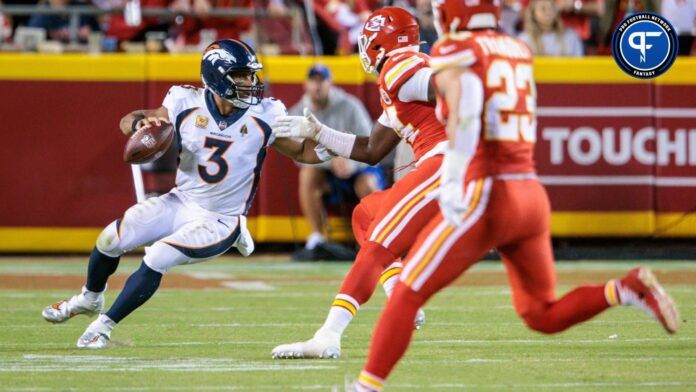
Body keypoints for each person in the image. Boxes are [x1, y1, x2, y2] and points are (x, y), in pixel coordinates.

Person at [353, 1, 681, 389]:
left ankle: (362, 388)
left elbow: (468, 104)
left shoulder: (455, 50)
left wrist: (456, 174)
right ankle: (625, 289)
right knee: (541, 313)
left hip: (488, 193)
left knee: (406, 293)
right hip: (529, 193)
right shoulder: (518, 49)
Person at [41, 39, 330, 349]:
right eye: (241, 75)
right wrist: (142, 123)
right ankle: (89, 298)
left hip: (221, 218)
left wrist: (334, 142)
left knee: (159, 255)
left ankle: (104, 327)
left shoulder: (266, 113)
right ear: (218, 77)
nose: (250, 83)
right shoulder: (183, 101)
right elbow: (131, 120)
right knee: (110, 238)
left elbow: (302, 152)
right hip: (181, 200)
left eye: (250, 75)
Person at [270, 7, 449, 359]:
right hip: (443, 165)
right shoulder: (403, 78)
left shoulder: (400, 66)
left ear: (380, 43)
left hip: (448, 164)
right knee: (366, 214)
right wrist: (320, 132)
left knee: (378, 242)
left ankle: (328, 335)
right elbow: (370, 149)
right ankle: (400, 295)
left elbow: (446, 86)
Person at [290, 64, 384, 261]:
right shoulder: (297, 112)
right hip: (327, 172)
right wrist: (329, 160)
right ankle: (318, 237)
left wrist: (349, 161)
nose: (317, 86)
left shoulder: (350, 105)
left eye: (321, 81)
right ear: (306, 85)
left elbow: (370, 143)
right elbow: (297, 154)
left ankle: (378, 238)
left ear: (329, 83)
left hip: (358, 167)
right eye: (313, 81)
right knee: (307, 175)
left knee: (368, 184)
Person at [518, 0, 583, 56]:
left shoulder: (570, 36)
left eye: (552, 8)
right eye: (543, 9)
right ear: (533, 13)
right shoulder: (524, 39)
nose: (549, 13)